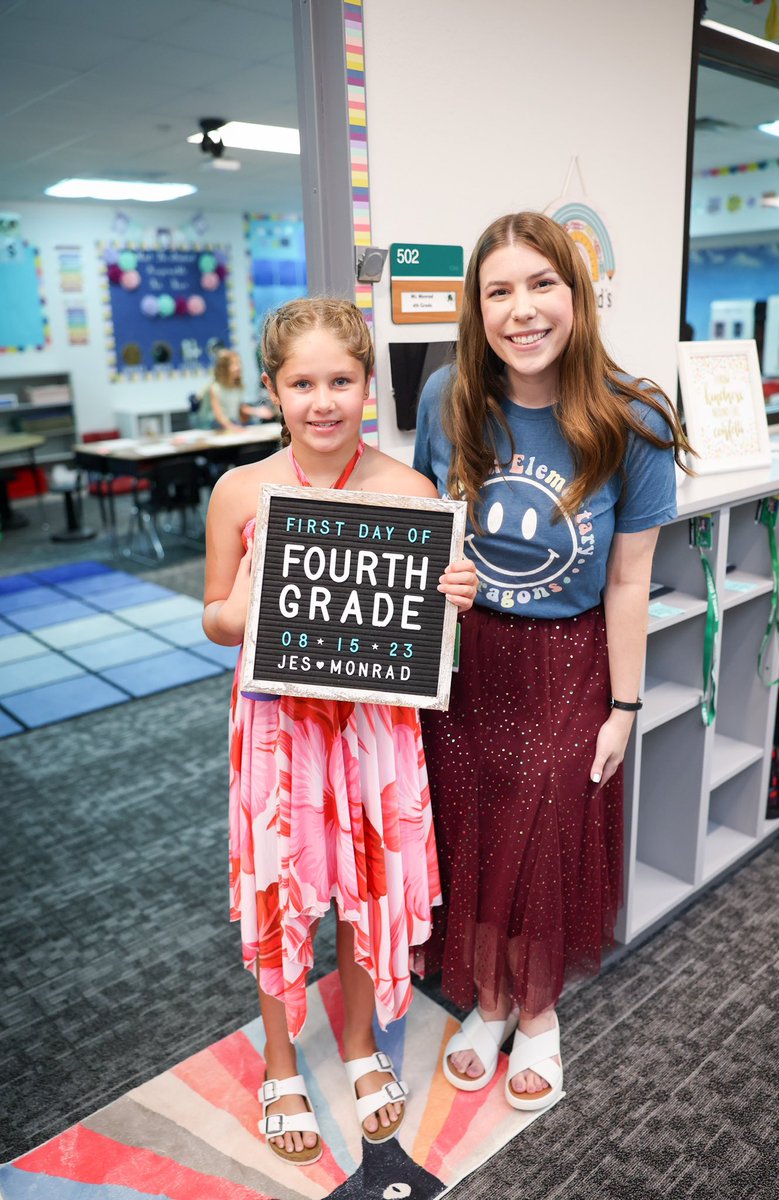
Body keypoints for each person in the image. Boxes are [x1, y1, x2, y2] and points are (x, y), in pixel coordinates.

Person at [413, 212, 690, 1113]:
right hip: (467, 659)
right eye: (499, 291)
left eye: (542, 284)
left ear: (578, 294)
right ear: (477, 308)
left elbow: (629, 581)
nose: (522, 310)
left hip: (567, 663)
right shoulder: (448, 395)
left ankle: (537, 1014)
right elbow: (427, 529)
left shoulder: (633, 413)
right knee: (471, 827)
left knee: (544, 831)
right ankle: (489, 1002)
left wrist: (624, 708)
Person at [203, 297, 477, 1165]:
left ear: (366, 387)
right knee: (279, 894)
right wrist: (245, 598)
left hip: (372, 731)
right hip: (278, 731)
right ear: (273, 390)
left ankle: (359, 1044)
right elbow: (214, 619)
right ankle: (280, 1062)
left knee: (369, 888)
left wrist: (455, 599)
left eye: (340, 381)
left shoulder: (410, 493)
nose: (322, 402)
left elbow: (428, 640)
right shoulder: (241, 491)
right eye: (301, 384)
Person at [196, 348, 273, 429]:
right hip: (215, 425)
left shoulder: (237, 387)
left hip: (232, 421)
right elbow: (219, 416)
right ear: (223, 368)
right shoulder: (215, 388)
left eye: (238, 363)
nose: (238, 367)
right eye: (233, 364)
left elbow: (240, 407)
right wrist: (234, 428)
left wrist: (256, 411)